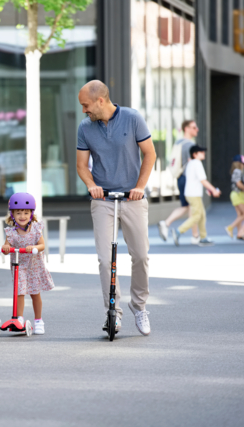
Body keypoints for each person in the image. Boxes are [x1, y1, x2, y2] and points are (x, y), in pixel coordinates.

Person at [76, 80, 156, 336]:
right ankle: (114, 312)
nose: (83, 111)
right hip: (103, 199)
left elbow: (150, 154)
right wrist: (92, 185)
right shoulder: (85, 128)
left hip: (132, 197)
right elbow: (81, 166)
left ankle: (139, 306)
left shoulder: (133, 119)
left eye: (85, 105)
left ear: (100, 100)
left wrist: (140, 186)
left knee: (141, 255)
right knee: (105, 259)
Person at [1, 193, 55, 335]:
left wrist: (35, 248)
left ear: (31, 214)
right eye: (18, 213)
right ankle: (19, 318)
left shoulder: (36, 229)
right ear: (12, 214)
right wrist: (6, 248)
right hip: (19, 266)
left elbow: (43, 245)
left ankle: (38, 320)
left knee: (35, 293)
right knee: (19, 293)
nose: (22, 216)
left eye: (26, 212)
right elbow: (7, 247)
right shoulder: (11, 233)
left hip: (34, 266)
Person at [158, 120, 200, 243]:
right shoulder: (190, 145)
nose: (196, 129)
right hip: (188, 179)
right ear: (186, 129)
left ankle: (194, 235)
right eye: (194, 127)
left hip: (180, 177)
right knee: (192, 206)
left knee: (188, 206)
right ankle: (193, 235)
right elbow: (192, 164)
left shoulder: (178, 143)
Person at [171, 146, 221, 246]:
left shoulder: (191, 163)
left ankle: (203, 237)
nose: (204, 153)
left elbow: (199, 180)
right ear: (195, 154)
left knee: (202, 215)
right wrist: (213, 190)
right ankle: (178, 231)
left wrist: (210, 189)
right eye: (201, 152)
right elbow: (203, 180)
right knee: (197, 216)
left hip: (192, 193)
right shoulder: (197, 163)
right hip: (193, 194)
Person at [225, 154, 244, 238]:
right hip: (238, 194)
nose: (243, 166)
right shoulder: (237, 171)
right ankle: (230, 227)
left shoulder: (235, 171)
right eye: (242, 164)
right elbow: (238, 184)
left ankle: (240, 233)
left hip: (235, 194)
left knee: (240, 215)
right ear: (239, 163)